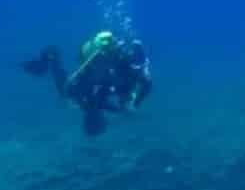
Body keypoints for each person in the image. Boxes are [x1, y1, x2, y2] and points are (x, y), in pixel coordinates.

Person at [22, 31, 153, 136]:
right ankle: (50, 56)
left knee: (71, 93)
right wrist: (130, 106)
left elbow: (145, 85)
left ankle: (50, 55)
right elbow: (96, 99)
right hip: (95, 81)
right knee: (67, 91)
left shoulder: (127, 76)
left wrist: (132, 105)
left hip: (102, 83)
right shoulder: (96, 93)